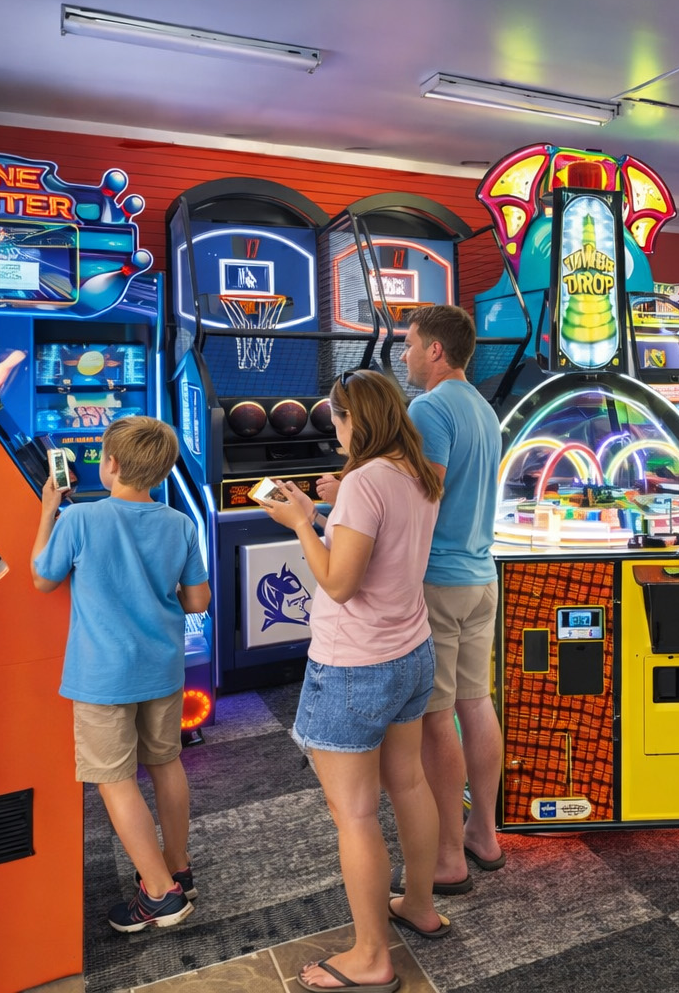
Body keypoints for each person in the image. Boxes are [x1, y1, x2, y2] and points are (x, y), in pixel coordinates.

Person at [260, 369, 448, 993]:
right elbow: (378, 546)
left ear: (353, 419)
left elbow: (339, 583)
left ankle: (371, 957)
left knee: (356, 814)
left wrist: (300, 524)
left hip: (354, 666)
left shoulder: (365, 481)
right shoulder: (417, 471)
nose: (332, 430)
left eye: (335, 419)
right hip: (411, 652)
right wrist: (322, 511)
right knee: (410, 783)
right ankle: (418, 904)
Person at [31, 416, 210, 933]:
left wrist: (47, 512)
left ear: (109, 464)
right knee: (166, 763)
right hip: (162, 668)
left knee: (113, 779)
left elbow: (42, 578)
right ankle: (178, 867)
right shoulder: (180, 524)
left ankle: (159, 893)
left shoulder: (80, 519)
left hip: (103, 676)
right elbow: (198, 600)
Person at [399, 305, 506, 893]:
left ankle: (447, 858)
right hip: (480, 577)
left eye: (410, 344)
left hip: (439, 580)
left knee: (437, 717)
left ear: (436, 350)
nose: (405, 354)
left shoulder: (429, 407)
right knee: (476, 704)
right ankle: (483, 834)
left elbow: (425, 495)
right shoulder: (483, 408)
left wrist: (349, 492)